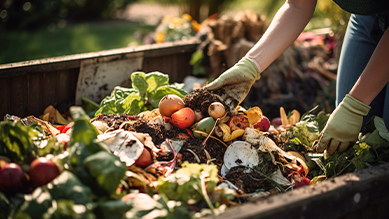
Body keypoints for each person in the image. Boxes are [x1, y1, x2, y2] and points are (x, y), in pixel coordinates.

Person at [204, 0, 389, 156]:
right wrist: (250, 66)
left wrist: (356, 105)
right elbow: (298, 5)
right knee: (352, 146)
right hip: (365, 20)